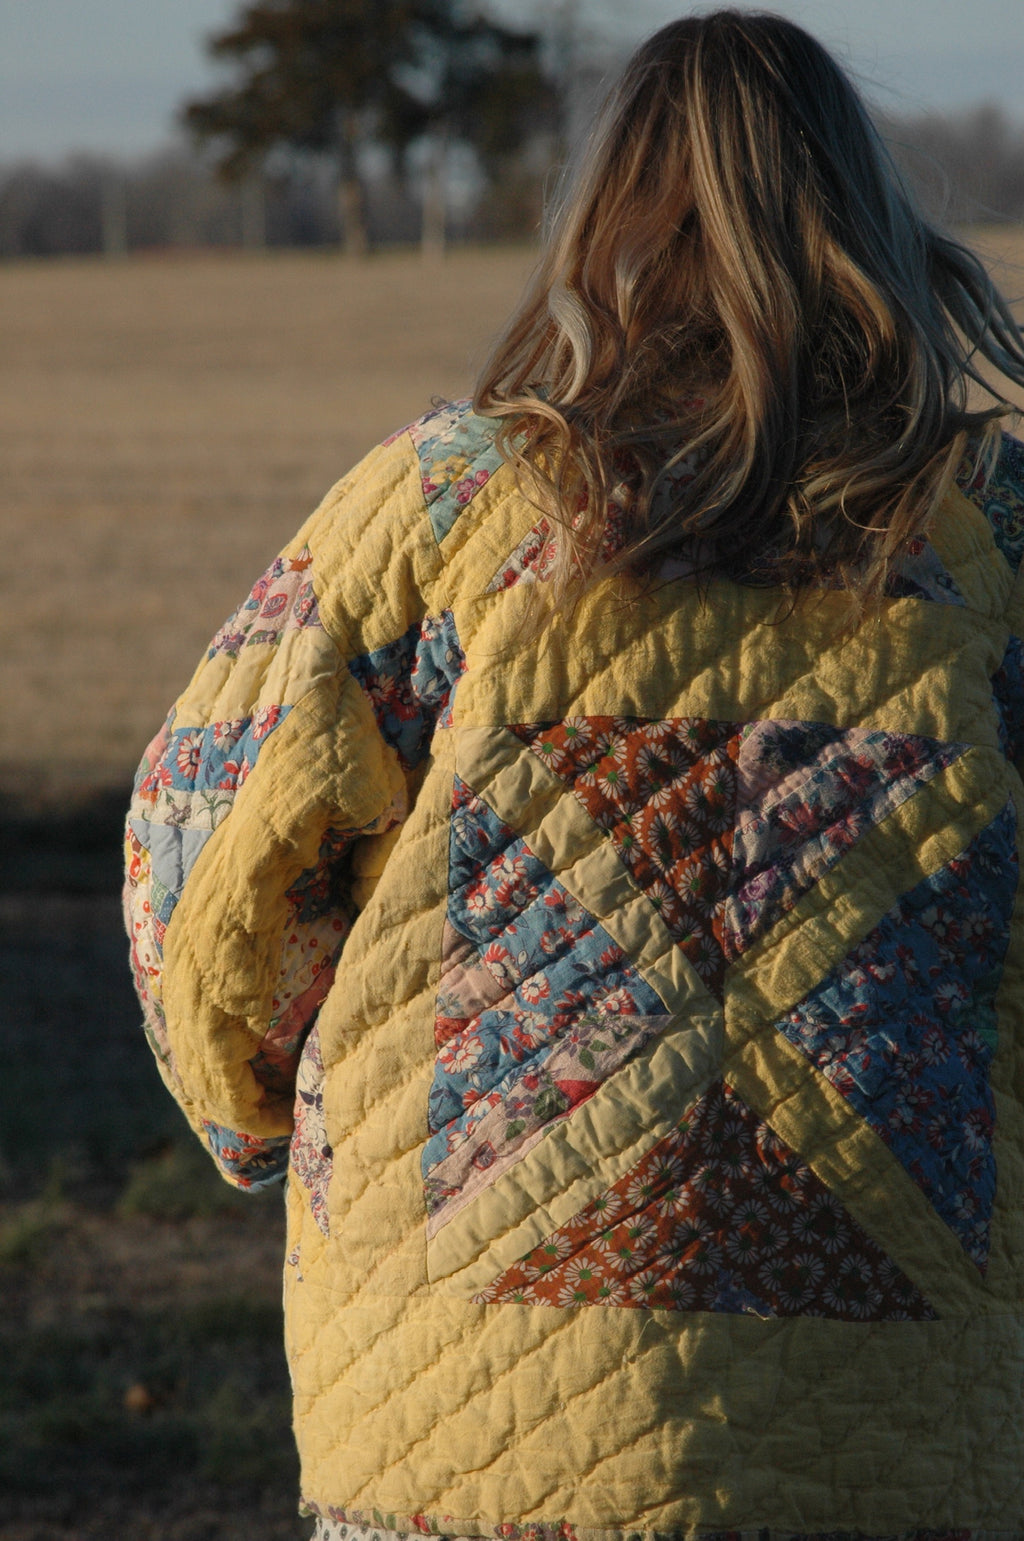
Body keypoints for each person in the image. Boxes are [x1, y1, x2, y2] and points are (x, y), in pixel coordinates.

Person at [125, 10, 1024, 1539]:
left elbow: (204, 886)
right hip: (916, 1444)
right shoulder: (993, 536)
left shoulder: (444, 507)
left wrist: (257, 1113)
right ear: (874, 223)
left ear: (605, 225)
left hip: (453, 1433)